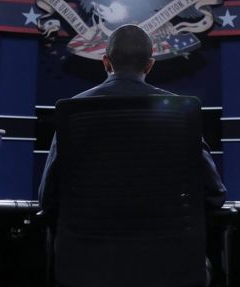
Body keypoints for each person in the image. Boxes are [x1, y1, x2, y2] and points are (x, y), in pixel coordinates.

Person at [38, 24, 226, 286]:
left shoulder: (75, 113)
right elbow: (215, 194)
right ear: (149, 65)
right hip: (171, 270)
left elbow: (48, 199)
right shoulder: (180, 114)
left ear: (106, 62)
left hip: (86, 270)